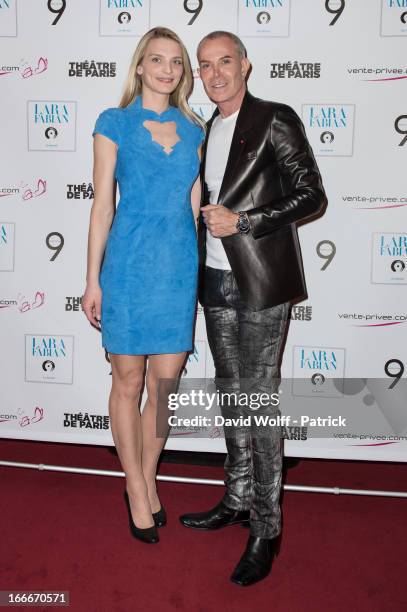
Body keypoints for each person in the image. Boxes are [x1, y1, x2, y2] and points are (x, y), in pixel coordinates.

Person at [179, 31, 327, 585]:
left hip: (261, 282)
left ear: (246, 64)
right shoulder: (203, 126)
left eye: (225, 62)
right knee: (231, 395)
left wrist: (244, 223)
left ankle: (266, 527)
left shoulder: (274, 117)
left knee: (258, 402)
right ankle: (237, 497)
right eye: (205, 65)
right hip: (214, 279)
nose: (215, 74)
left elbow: (312, 194)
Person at [82, 27, 204, 545]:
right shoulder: (115, 122)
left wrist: (197, 269)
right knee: (127, 382)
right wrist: (92, 279)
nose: (167, 69)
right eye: (157, 59)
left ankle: (147, 477)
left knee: (164, 387)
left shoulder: (195, 127)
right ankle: (136, 489)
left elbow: (194, 206)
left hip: (177, 267)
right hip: (129, 264)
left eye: (176, 62)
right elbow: (102, 205)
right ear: (139, 66)